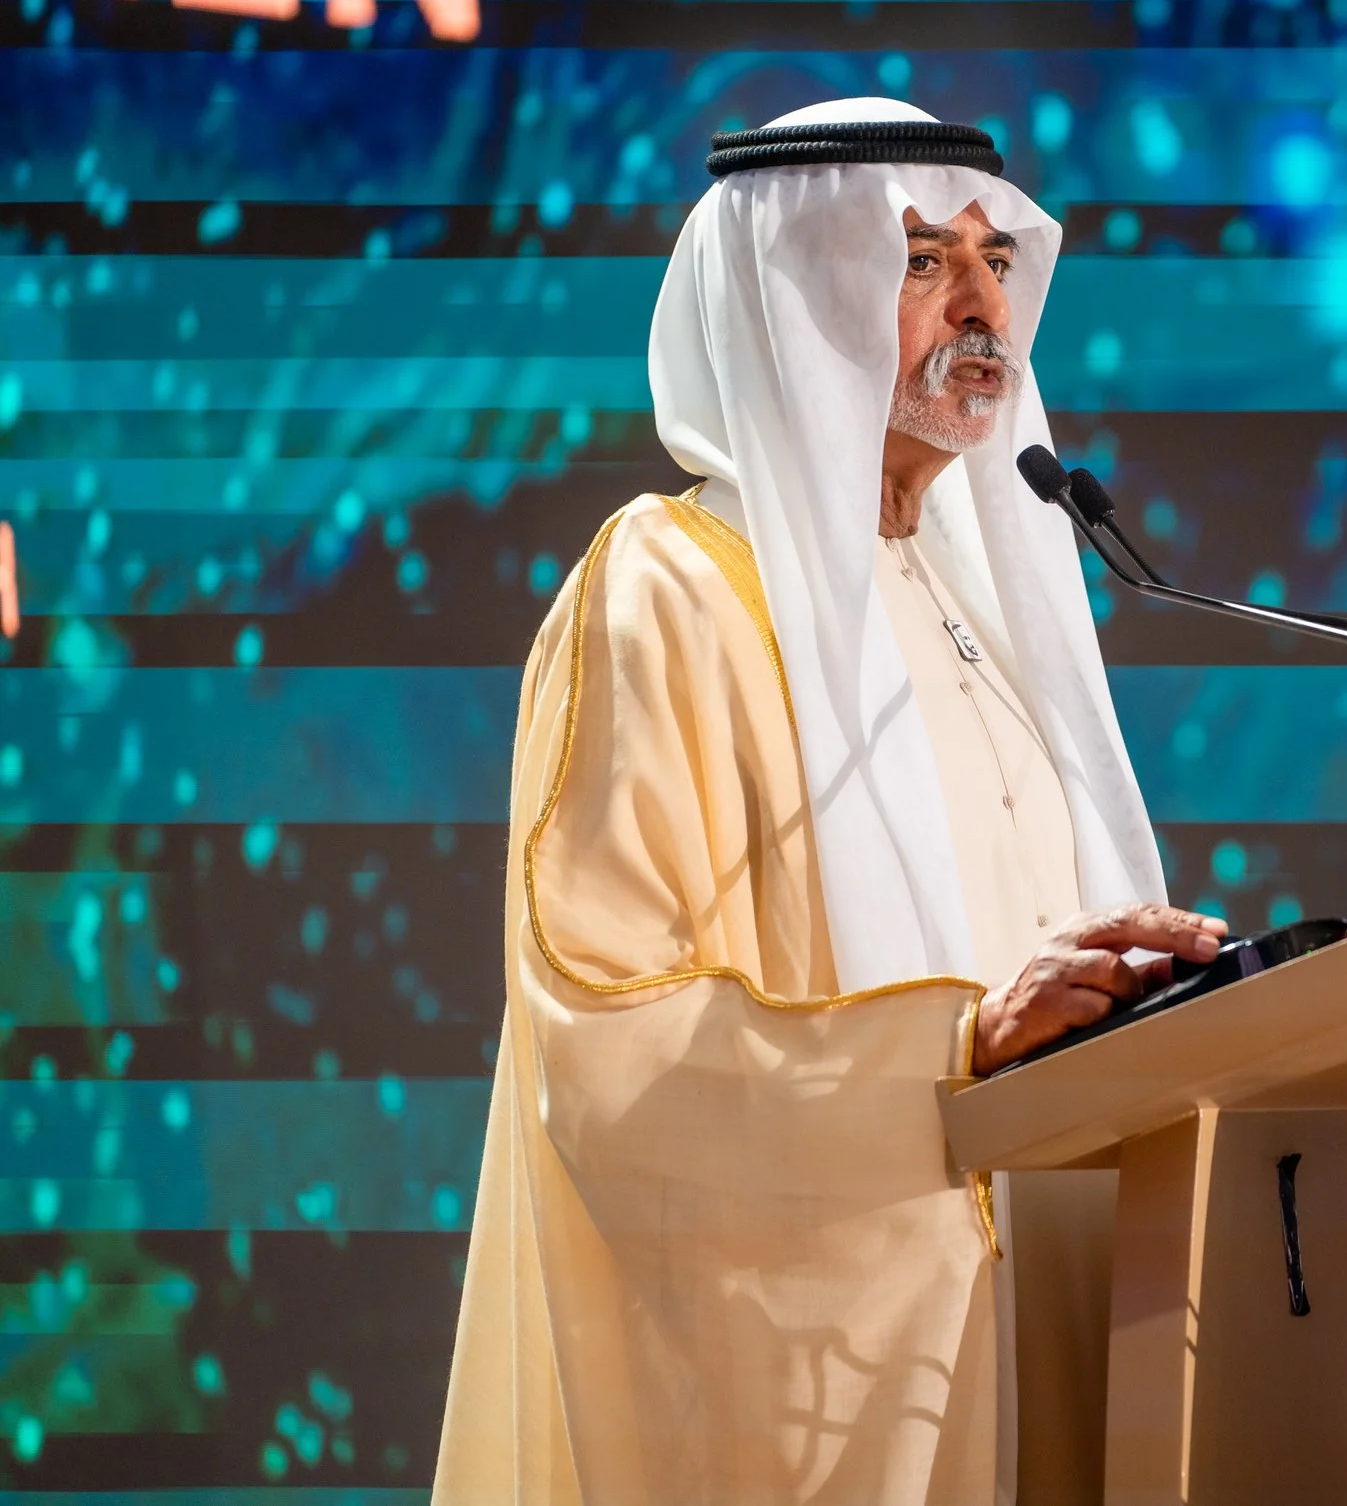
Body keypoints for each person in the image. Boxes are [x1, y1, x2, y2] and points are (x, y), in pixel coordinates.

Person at [433, 97, 1226, 1505]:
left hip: (1050, 1312)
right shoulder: (666, 593)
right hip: (822, 1399)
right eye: (924, 260)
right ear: (800, 289)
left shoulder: (981, 613)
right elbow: (608, 1043)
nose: (985, 303)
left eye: (997, 258)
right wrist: (949, 1053)